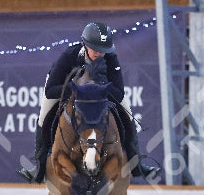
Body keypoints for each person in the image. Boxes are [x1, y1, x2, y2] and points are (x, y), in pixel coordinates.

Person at [18, 21, 161, 184]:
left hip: (98, 93)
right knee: (44, 117)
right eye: (95, 49)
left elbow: (119, 93)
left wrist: (100, 85)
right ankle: (38, 166)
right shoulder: (70, 55)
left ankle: (138, 165)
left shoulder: (111, 58)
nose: (99, 54)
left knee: (129, 117)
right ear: (85, 45)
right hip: (66, 89)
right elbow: (51, 90)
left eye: (103, 50)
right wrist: (74, 87)